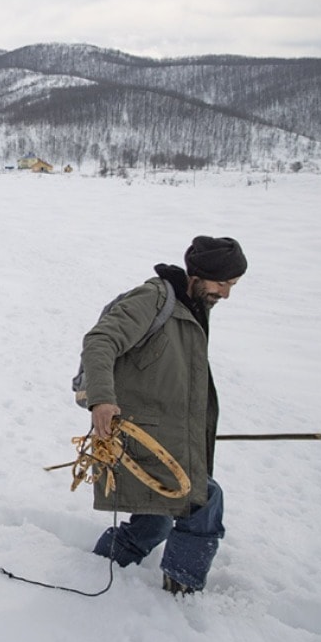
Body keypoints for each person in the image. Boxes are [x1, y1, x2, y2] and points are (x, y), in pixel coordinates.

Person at [78, 235, 248, 595]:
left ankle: (99, 566)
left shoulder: (191, 307)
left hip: (166, 437)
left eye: (232, 285)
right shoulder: (153, 299)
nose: (227, 294)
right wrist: (101, 400)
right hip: (138, 439)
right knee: (201, 501)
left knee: (153, 523)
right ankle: (182, 591)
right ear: (199, 274)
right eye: (223, 283)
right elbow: (100, 341)